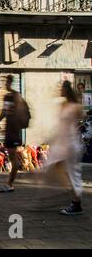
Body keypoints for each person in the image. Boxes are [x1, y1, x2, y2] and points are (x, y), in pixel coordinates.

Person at [42, 80, 84, 215]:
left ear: (66, 90)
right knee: (55, 166)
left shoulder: (74, 106)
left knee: (73, 173)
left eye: (62, 88)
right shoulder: (64, 105)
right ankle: (69, 193)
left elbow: (79, 120)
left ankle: (76, 203)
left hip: (71, 144)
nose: (60, 90)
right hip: (64, 143)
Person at [0, 75, 24, 193]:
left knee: (13, 158)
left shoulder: (15, 96)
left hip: (14, 130)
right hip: (9, 131)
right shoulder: (8, 96)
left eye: (6, 82)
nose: (5, 84)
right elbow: (3, 113)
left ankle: (10, 184)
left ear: (10, 82)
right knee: (12, 157)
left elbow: (17, 112)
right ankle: (11, 181)